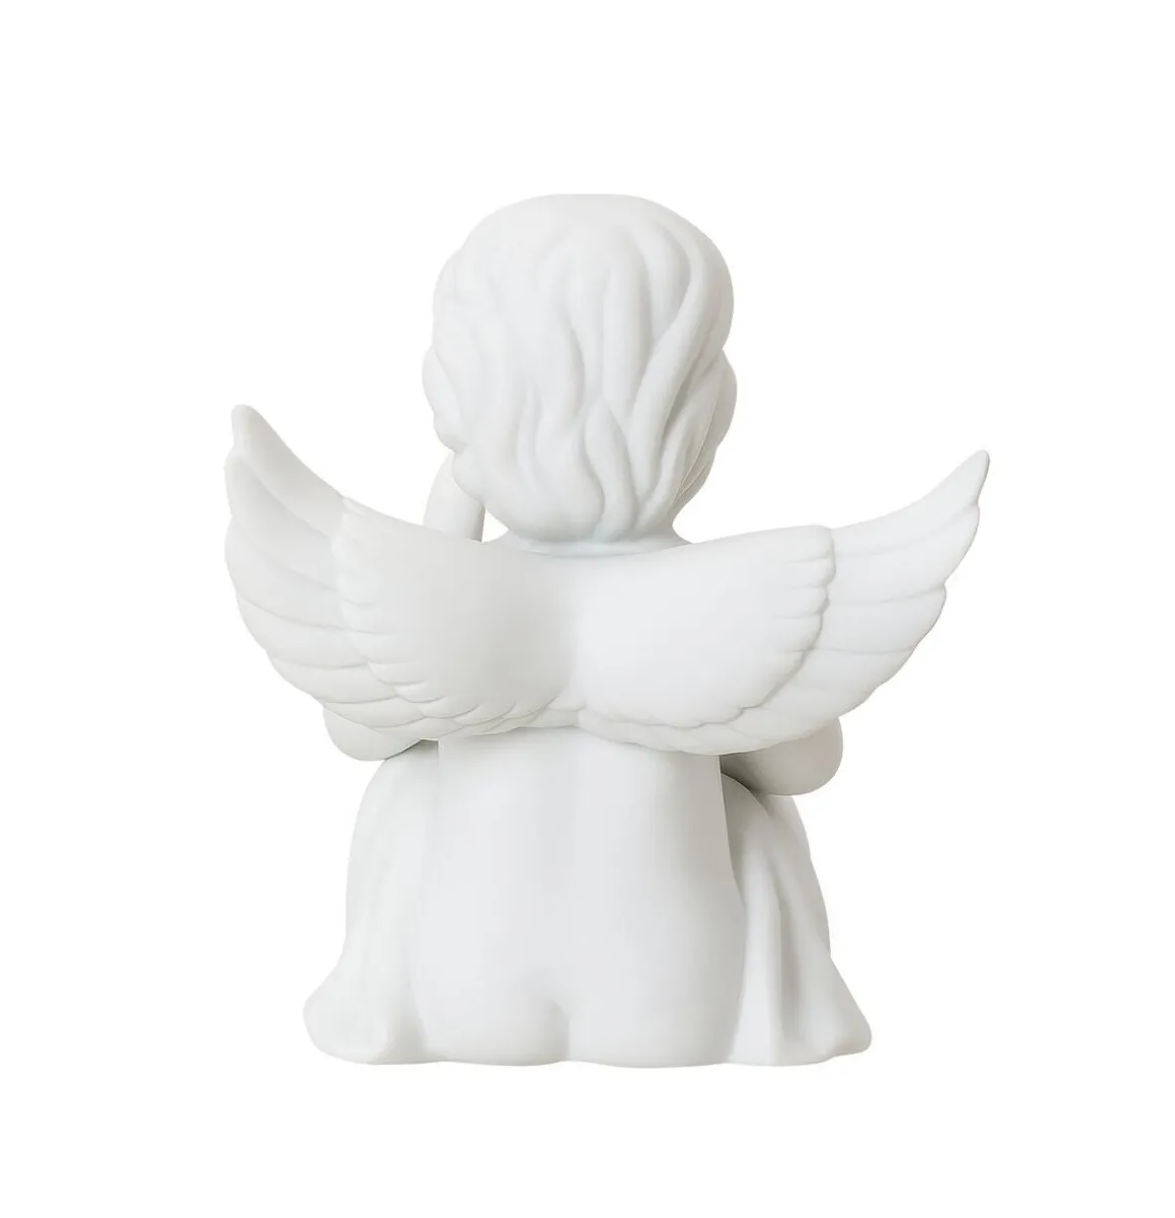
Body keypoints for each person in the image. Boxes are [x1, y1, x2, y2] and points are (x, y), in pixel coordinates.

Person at [225, 195, 985, 1064]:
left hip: (465, 988)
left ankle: (390, 1005)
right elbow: (804, 766)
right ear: (704, 414)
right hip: (676, 997)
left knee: (410, 777)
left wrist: (442, 543)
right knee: (751, 810)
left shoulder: (434, 592)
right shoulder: (733, 598)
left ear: (458, 404)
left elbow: (358, 730)